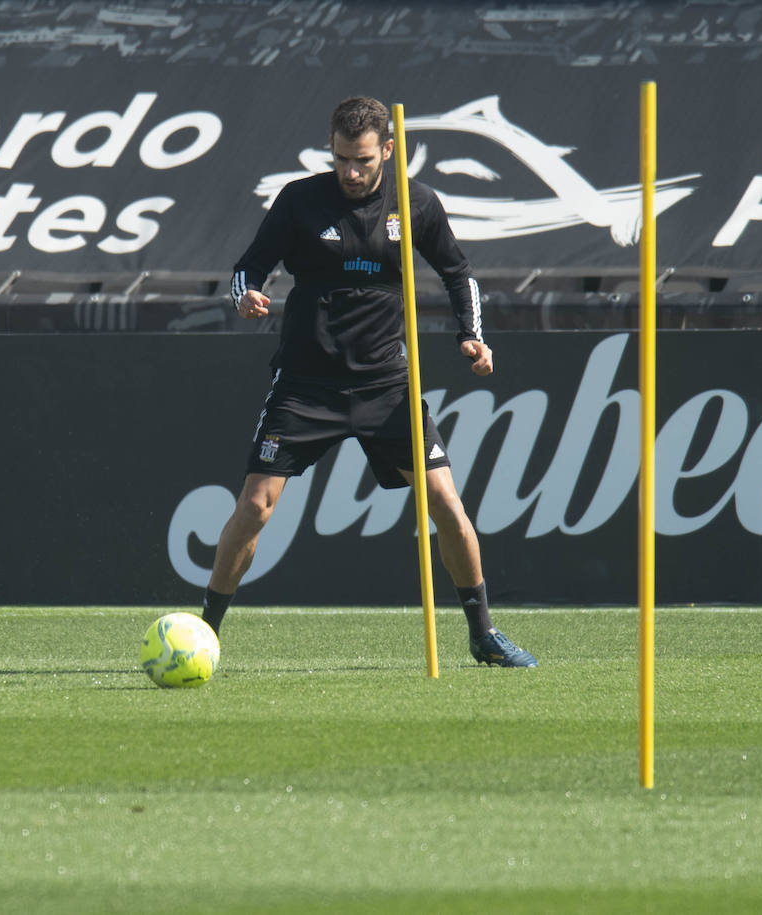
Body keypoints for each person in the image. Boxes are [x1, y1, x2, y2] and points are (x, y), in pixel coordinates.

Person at [199, 96, 536, 668]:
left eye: (361, 160)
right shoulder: (301, 199)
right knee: (255, 506)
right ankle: (205, 631)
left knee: (446, 504)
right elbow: (246, 268)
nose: (350, 173)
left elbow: (458, 273)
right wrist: (247, 296)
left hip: (387, 387)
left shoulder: (416, 203)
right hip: (305, 384)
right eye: (340, 160)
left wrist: (471, 335)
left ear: (386, 150)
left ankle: (483, 633)